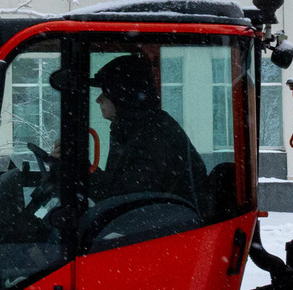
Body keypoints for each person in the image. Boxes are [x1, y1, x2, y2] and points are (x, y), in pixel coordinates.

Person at [86, 55, 205, 206]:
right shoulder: (134, 128)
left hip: (169, 219)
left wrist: (81, 172)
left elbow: (125, 199)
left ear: (121, 95)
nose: (98, 99)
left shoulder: (151, 134)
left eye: (105, 92)